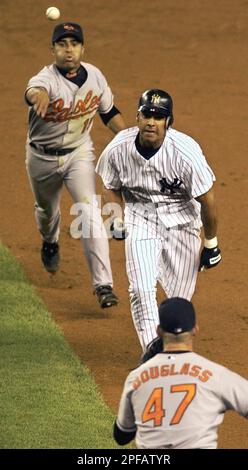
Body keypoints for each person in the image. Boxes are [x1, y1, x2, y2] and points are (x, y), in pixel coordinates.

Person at [96, 89, 221, 346]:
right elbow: (110, 184)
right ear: (138, 117)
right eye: (146, 114)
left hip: (183, 221)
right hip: (141, 218)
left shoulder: (185, 153)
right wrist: (116, 217)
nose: (151, 121)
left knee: (179, 301)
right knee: (141, 289)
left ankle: (173, 346)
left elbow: (207, 199)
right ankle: (152, 350)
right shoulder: (119, 147)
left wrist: (211, 243)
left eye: (159, 116)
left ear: (168, 121)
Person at [24, 22, 126, 308]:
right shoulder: (45, 79)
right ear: (53, 50)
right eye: (62, 44)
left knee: (89, 212)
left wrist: (129, 137)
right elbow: (33, 91)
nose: (68, 49)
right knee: (47, 212)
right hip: (41, 158)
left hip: (78, 155)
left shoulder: (95, 76)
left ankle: (103, 285)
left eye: (74, 44)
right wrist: (39, 96)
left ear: (82, 48)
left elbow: (109, 113)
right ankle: (50, 241)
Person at [113, 297, 248, 449]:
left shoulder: (136, 377)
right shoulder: (215, 375)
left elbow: (121, 436)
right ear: (195, 329)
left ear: (159, 331)